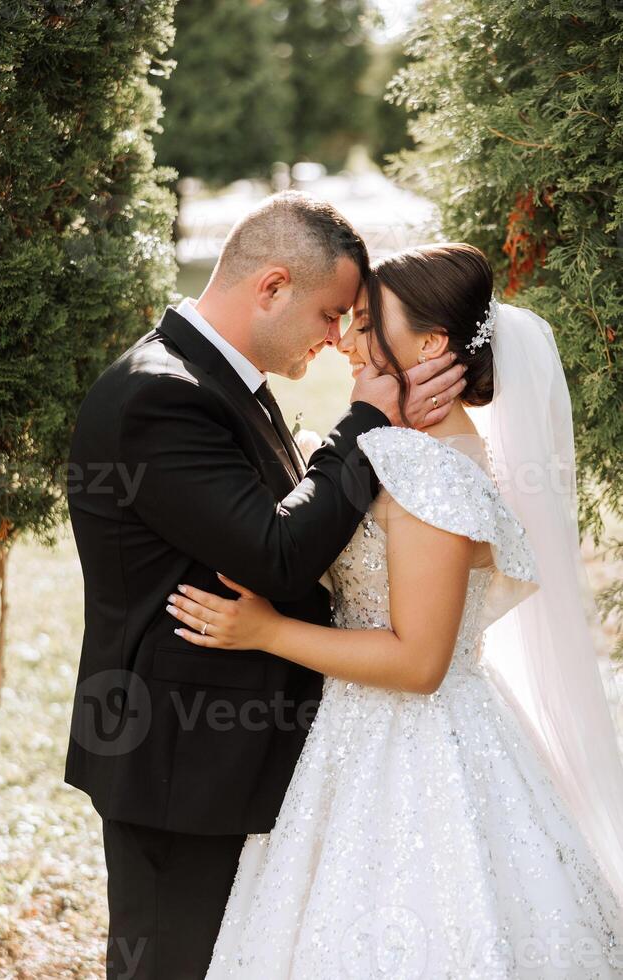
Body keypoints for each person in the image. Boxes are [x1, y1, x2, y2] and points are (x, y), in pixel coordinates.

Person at [167, 243, 623, 978]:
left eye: (369, 321)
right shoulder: (428, 449)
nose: (345, 339)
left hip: (406, 746)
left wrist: (266, 631)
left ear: (433, 343)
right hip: (374, 732)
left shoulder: (424, 469)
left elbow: (418, 662)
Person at [64, 193, 466, 980]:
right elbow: (277, 553)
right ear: (272, 286)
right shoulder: (162, 394)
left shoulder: (220, 381)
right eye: (329, 314)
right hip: (178, 764)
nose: (336, 338)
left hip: (229, 757)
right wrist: (363, 426)